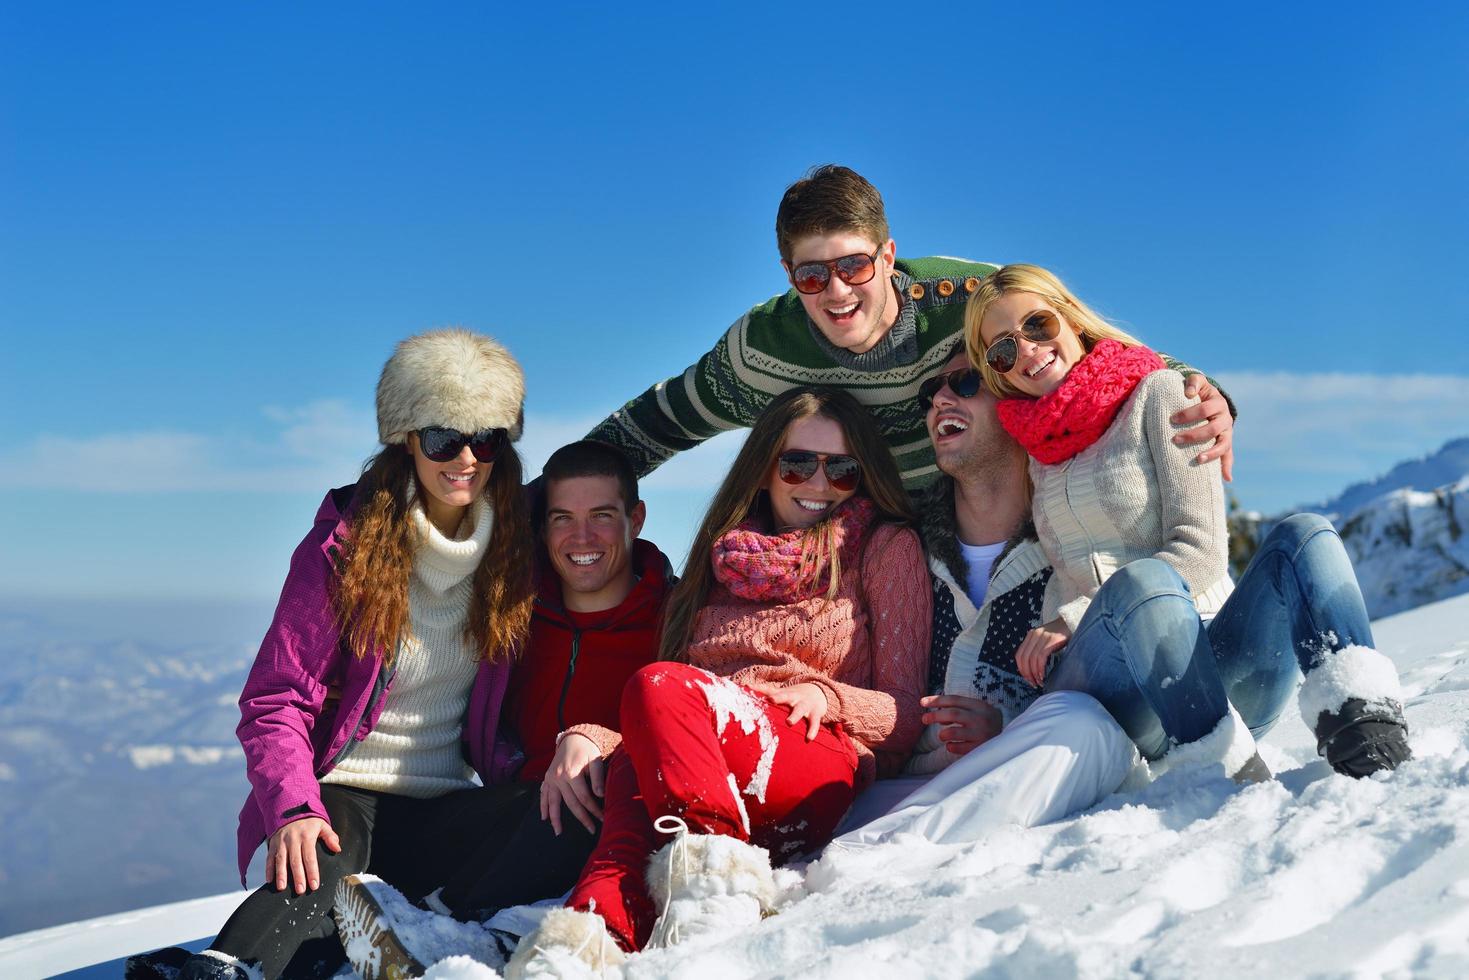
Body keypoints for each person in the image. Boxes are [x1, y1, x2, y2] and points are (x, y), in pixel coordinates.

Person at [126, 329, 536, 980]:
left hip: (447, 802)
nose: (464, 457)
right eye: (441, 438)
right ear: (407, 440)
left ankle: (420, 931)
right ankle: (221, 970)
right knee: (316, 866)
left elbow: (594, 505)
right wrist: (291, 808)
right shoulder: (342, 549)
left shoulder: (519, 549)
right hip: (347, 789)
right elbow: (275, 699)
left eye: (483, 438)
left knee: (556, 818)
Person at [504, 386, 931, 976]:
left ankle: (718, 902)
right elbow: (677, 711)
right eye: (798, 463)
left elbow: (908, 714)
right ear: (763, 469)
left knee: (658, 686)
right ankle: (575, 951)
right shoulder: (719, 561)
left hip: (810, 755)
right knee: (627, 828)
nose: (818, 483)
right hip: (707, 762)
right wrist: (592, 738)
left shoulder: (886, 549)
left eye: (843, 469)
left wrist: (829, 696)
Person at [965, 264, 1411, 782]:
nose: (1026, 351)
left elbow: (1200, 551)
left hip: (1218, 663)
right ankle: (1223, 777)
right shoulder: (1032, 451)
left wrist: (1072, 614)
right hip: (1112, 684)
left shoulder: (1161, 395)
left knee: (1305, 534)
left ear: (1071, 320)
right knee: (1143, 580)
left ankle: (1368, 733)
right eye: (1002, 349)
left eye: (1037, 326)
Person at [586, 164, 1237, 491]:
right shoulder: (762, 350)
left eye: (853, 266)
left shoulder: (972, 300)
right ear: (788, 274)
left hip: (1014, 516)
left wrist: (1201, 391)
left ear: (887, 257)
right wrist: (538, 508)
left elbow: (1090, 346)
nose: (837, 292)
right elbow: (650, 427)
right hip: (876, 545)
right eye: (812, 276)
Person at [331, 440, 674, 979]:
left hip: (601, 824)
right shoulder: (512, 612)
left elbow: (685, 726)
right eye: (562, 518)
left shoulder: (674, 621)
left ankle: (447, 933)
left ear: (636, 518)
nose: (581, 538)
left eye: (602, 517)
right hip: (502, 814)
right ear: (542, 528)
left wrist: (597, 741)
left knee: (585, 796)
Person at [833, 344, 1137, 847]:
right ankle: (870, 854)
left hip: (1030, 780)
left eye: (966, 384)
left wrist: (1005, 727)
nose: (940, 402)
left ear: (1020, 404)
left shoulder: (1082, 538)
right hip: (898, 793)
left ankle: (870, 860)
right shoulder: (894, 548)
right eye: (931, 393)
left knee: (1089, 727)